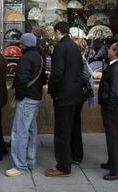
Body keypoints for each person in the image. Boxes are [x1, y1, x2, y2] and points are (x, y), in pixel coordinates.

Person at [45, 21, 84, 177]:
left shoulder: (61, 47)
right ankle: (76, 156)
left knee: (62, 132)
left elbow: (57, 74)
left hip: (64, 96)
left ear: (57, 31)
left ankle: (63, 166)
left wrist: (52, 91)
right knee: (74, 127)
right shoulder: (75, 47)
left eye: (54, 32)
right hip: (76, 95)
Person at [6, 33, 45, 177]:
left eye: (20, 44)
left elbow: (21, 79)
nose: (19, 46)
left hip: (26, 99)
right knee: (31, 130)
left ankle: (20, 166)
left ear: (24, 45)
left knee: (19, 132)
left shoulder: (25, 58)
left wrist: (19, 96)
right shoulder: (39, 57)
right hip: (35, 97)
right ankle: (31, 161)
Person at [98, 42, 118, 181]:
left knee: (114, 138)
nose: (108, 51)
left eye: (110, 49)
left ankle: (117, 170)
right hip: (115, 106)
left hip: (113, 107)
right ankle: (112, 163)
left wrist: (109, 106)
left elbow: (115, 92)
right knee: (112, 136)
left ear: (115, 51)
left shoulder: (117, 68)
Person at [70, 36, 96, 166]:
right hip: (78, 94)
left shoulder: (80, 59)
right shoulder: (80, 59)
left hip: (77, 94)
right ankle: (75, 153)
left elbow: (86, 76)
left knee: (74, 124)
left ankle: (76, 155)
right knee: (74, 123)